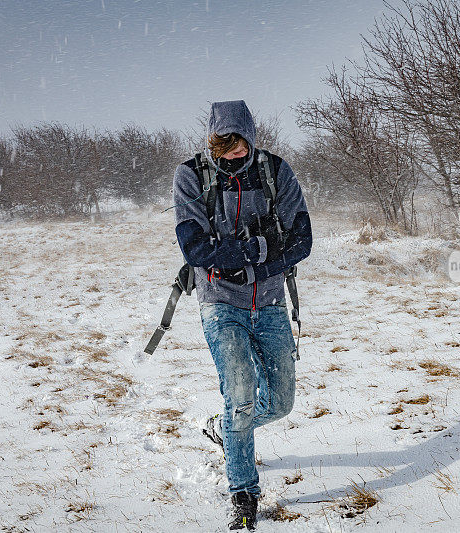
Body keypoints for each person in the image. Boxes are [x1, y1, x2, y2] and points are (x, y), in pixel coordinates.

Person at [172, 100, 312, 530]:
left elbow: (302, 239)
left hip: (268, 301)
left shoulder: (275, 171)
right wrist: (247, 252)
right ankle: (244, 494)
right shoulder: (192, 175)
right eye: (223, 150)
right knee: (241, 396)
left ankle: (223, 428)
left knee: (281, 402)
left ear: (251, 138)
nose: (232, 157)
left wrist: (256, 261)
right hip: (219, 304)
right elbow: (194, 245)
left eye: (239, 148)